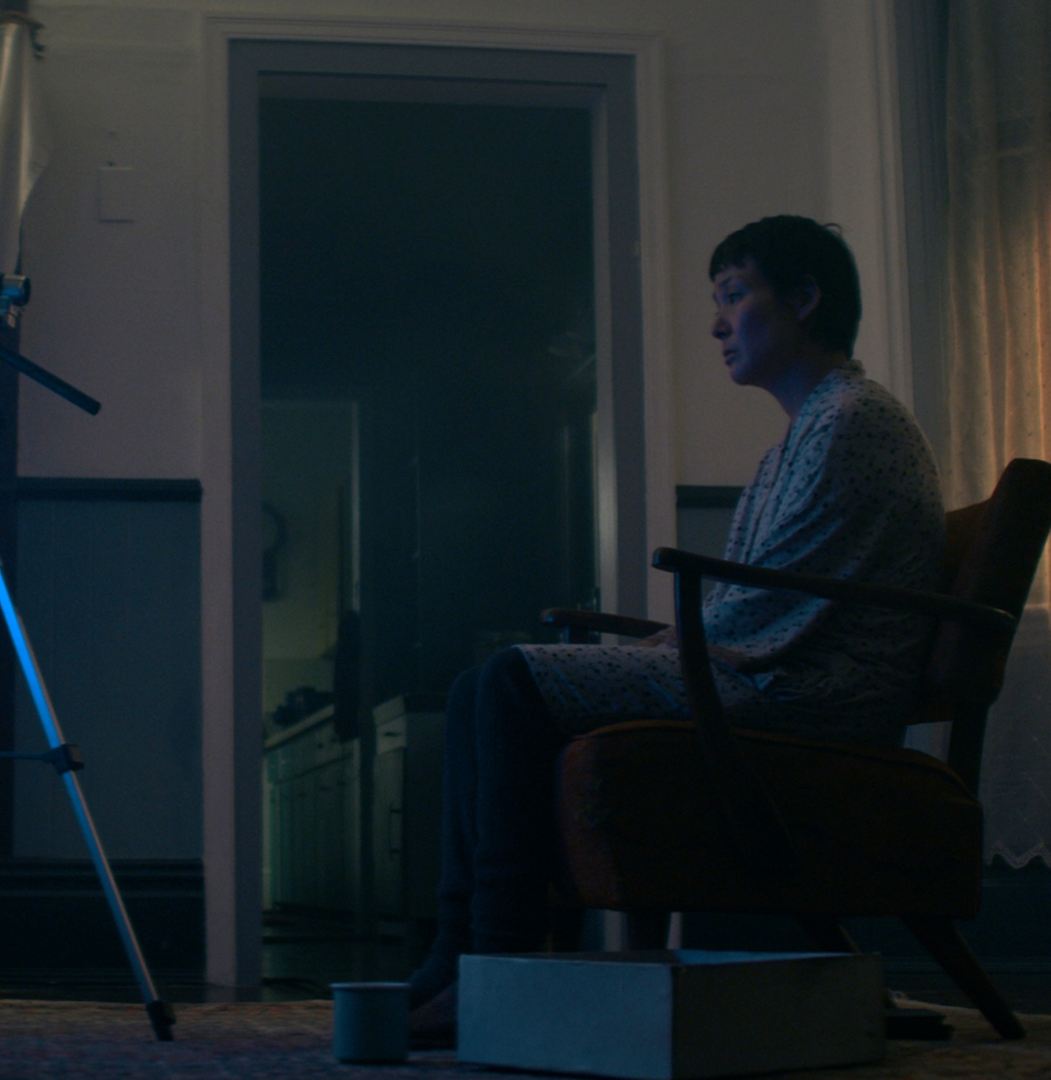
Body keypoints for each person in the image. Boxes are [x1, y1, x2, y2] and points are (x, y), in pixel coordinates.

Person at [405, 215, 945, 1047]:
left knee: (508, 680)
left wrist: (675, 643)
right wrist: (677, 642)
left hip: (810, 692)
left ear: (805, 298)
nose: (717, 324)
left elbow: (773, 602)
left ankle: (495, 964)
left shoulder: (852, 419)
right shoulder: (801, 436)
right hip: (770, 668)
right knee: (481, 684)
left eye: (734, 295)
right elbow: (764, 597)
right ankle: (456, 960)